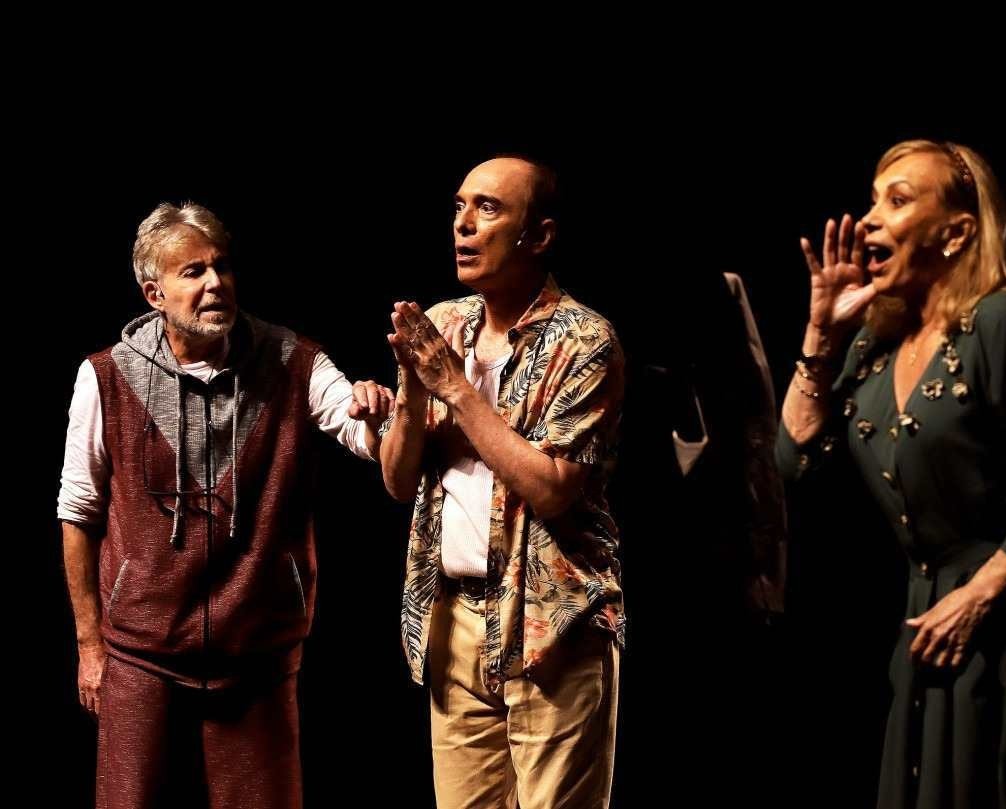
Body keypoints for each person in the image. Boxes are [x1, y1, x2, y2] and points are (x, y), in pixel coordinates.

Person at [775, 141, 1006, 808]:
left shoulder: (1002, 321)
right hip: (926, 620)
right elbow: (794, 460)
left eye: (898, 200)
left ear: (956, 233)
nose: (868, 219)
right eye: (872, 198)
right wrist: (821, 338)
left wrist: (979, 596)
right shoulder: (877, 343)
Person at [59, 202, 393, 808]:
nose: (216, 283)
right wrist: (89, 647)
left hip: (257, 652)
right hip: (140, 651)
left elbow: (363, 436)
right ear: (154, 294)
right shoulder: (105, 376)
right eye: (194, 272)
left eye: (222, 266)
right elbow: (78, 511)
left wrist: (374, 414)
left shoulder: (293, 361)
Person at [380, 156, 625, 808]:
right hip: (455, 623)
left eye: (487, 208)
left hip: (552, 630)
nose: (463, 224)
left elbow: (552, 489)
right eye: (459, 207)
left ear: (538, 235)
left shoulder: (584, 341)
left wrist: (456, 389)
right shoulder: (444, 325)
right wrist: (413, 389)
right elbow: (398, 481)